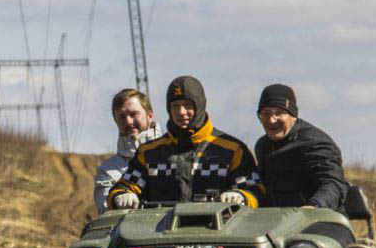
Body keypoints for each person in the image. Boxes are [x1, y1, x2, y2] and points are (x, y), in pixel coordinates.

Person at [107, 76, 263, 211]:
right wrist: (122, 195)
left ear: (200, 106)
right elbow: (124, 187)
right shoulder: (148, 153)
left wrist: (241, 196)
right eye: (175, 105)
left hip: (219, 239)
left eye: (188, 105)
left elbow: (256, 191)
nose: (181, 112)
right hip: (160, 239)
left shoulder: (232, 150)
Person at [253, 84, 349, 210]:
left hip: (317, 220)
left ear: (293, 115)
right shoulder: (262, 145)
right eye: (266, 113)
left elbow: (333, 183)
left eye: (279, 113)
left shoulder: (315, 143)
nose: (271, 120)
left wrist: (314, 206)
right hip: (274, 221)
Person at [93, 89, 163, 214]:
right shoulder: (108, 170)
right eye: (122, 117)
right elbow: (105, 210)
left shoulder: (174, 154)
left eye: (133, 114)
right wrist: (115, 200)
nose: (128, 122)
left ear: (150, 115)